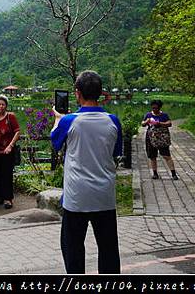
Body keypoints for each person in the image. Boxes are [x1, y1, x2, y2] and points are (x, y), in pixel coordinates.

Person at [50, 70, 122, 274]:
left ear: (77, 92)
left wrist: (57, 119)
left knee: (72, 248)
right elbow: (116, 152)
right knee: (108, 249)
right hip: (104, 197)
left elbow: (55, 142)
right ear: (100, 93)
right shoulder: (113, 121)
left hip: (77, 198)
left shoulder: (68, 121)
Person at [142, 99, 179, 180]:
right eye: (153, 108)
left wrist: (160, 123)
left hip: (162, 138)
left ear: (159, 108)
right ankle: (155, 173)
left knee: (166, 156)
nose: (154, 110)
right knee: (152, 156)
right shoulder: (148, 115)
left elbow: (169, 123)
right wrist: (146, 122)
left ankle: (173, 174)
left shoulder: (164, 115)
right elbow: (143, 124)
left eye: (156, 108)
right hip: (150, 138)